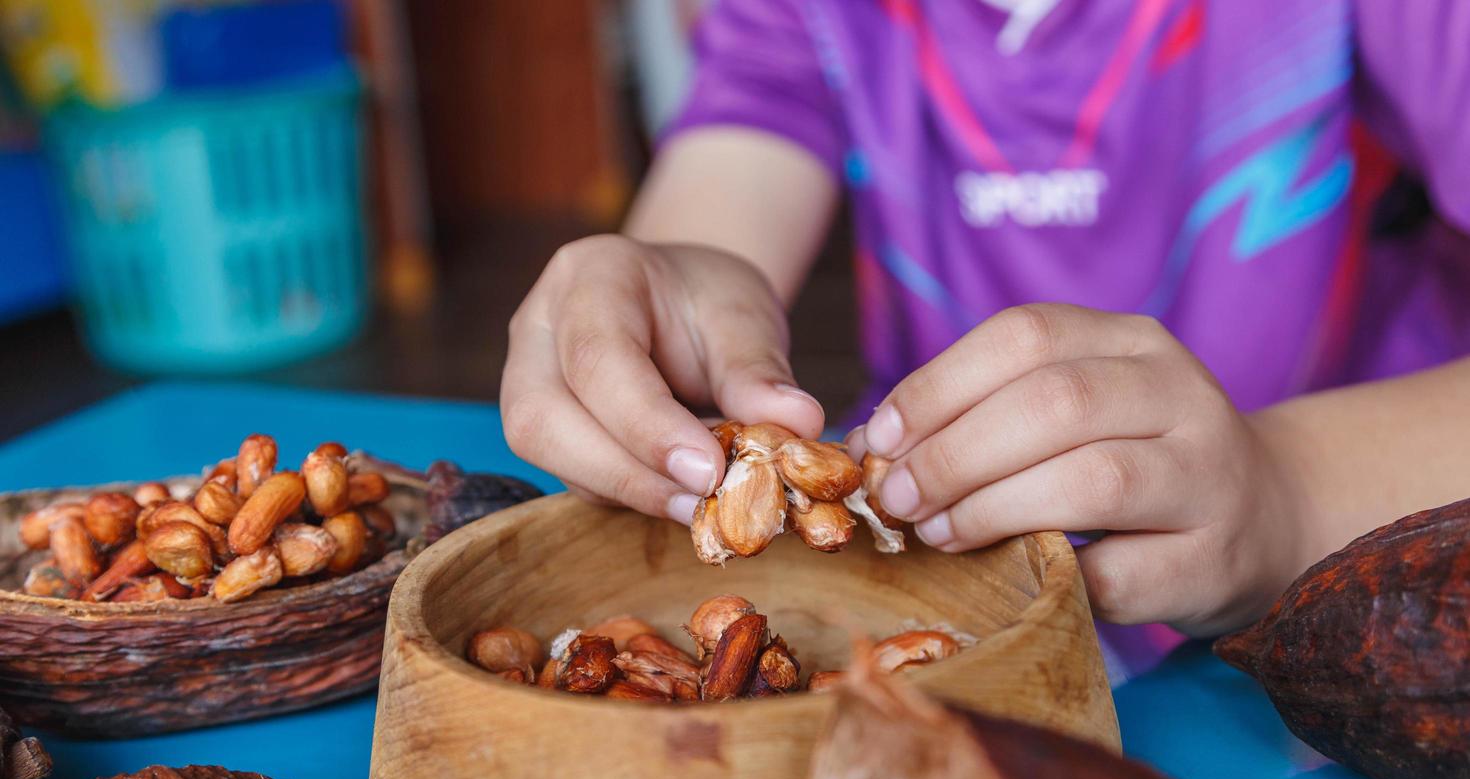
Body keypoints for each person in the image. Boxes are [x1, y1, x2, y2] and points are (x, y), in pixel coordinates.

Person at [501, 0, 1470, 679]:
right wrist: (665, 286)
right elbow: (736, 152)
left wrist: (1287, 484)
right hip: (951, 612)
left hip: (1376, 602)